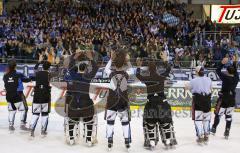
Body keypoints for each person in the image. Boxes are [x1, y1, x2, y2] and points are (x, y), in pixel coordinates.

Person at [136, 52, 177, 150]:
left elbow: (138, 75)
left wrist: (138, 66)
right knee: (166, 123)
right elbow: (168, 69)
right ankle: (167, 140)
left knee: (150, 123)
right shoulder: (161, 77)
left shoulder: (147, 78)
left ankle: (152, 141)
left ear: (149, 70)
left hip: (151, 104)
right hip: (163, 104)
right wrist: (165, 59)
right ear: (157, 69)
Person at [57, 51, 99, 146]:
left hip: (75, 103)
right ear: (85, 70)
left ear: (78, 68)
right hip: (86, 103)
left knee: (72, 119)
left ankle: (71, 139)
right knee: (89, 121)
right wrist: (91, 58)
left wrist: (74, 56)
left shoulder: (73, 75)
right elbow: (96, 68)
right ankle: (88, 140)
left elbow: (70, 66)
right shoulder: (87, 77)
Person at [104, 50, 132, 151]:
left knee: (110, 121)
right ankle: (127, 141)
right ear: (123, 65)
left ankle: (110, 141)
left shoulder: (111, 73)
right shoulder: (126, 74)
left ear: (114, 65)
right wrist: (128, 60)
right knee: (125, 122)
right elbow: (131, 70)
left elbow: (106, 68)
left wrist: (111, 59)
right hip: (122, 101)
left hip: (112, 101)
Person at [29, 54, 59, 137]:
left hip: (37, 95)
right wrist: (56, 64)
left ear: (42, 66)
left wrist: (38, 62)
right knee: (45, 114)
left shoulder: (37, 73)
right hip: (45, 95)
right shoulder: (49, 74)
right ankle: (43, 131)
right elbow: (57, 73)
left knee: (35, 113)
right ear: (49, 68)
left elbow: (34, 69)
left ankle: (32, 129)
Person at [211, 56, 239, 139]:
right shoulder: (236, 79)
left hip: (223, 99)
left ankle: (214, 128)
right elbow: (235, 72)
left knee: (218, 115)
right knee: (229, 116)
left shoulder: (225, 78)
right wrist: (234, 63)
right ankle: (227, 131)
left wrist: (222, 63)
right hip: (231, 100)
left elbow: (217, 70)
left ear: (227, 71)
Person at [3, 59, 32, 132]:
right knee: (24, 109)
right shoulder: (18, 74)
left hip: (8, 96)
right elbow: (27, 79)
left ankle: (11, 125)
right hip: (18, 95)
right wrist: (30, 78)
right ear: (15, 66)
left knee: (11, 111)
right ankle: (22, 124)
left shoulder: (5, 76)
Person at [186, 66, 212, 144]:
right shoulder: (209, 79)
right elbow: (211, 89)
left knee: (198, 120)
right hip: (207, 100)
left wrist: (186, 86)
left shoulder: (193, 80)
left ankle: (200, 135)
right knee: (206, 119)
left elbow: (187, 88)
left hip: (197, 100)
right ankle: (206, 134)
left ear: (196, 72)